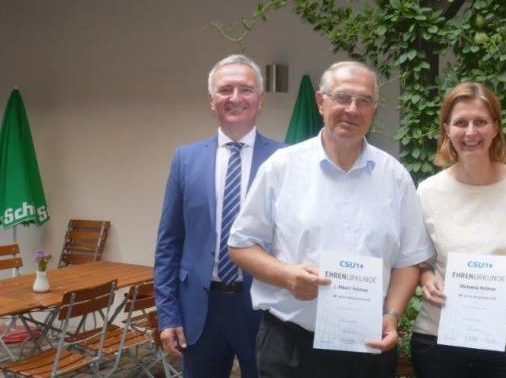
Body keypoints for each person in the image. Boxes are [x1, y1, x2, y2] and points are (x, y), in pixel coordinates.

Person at [228, 61, 434, 378]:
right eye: (342, 97)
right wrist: (287, 276)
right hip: (291, 345)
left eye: (363, 100)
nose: (352, 109)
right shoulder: (282, 167)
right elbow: (241, 246)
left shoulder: (395, 177)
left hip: (367, 347)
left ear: (373, 111)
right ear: (321, 102)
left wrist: (392, 314)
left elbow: (409, 260)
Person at [411, 82, 506, 378]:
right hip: (439, 338)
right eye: (461, 122)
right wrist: (426, 280)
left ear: (495, 128)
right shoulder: (428, 191)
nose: (471, 132)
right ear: (447, 129)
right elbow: (421, 262)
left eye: (480, 122)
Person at [154, 54, 284, 378]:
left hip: (262, 305)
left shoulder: (286, 160)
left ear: (260, 100)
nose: (235, 98)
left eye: (246, 89)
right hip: (201, 308)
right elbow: (169, 241)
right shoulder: (185, 159)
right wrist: (168, 315)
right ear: (212, 101)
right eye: (225, 90)